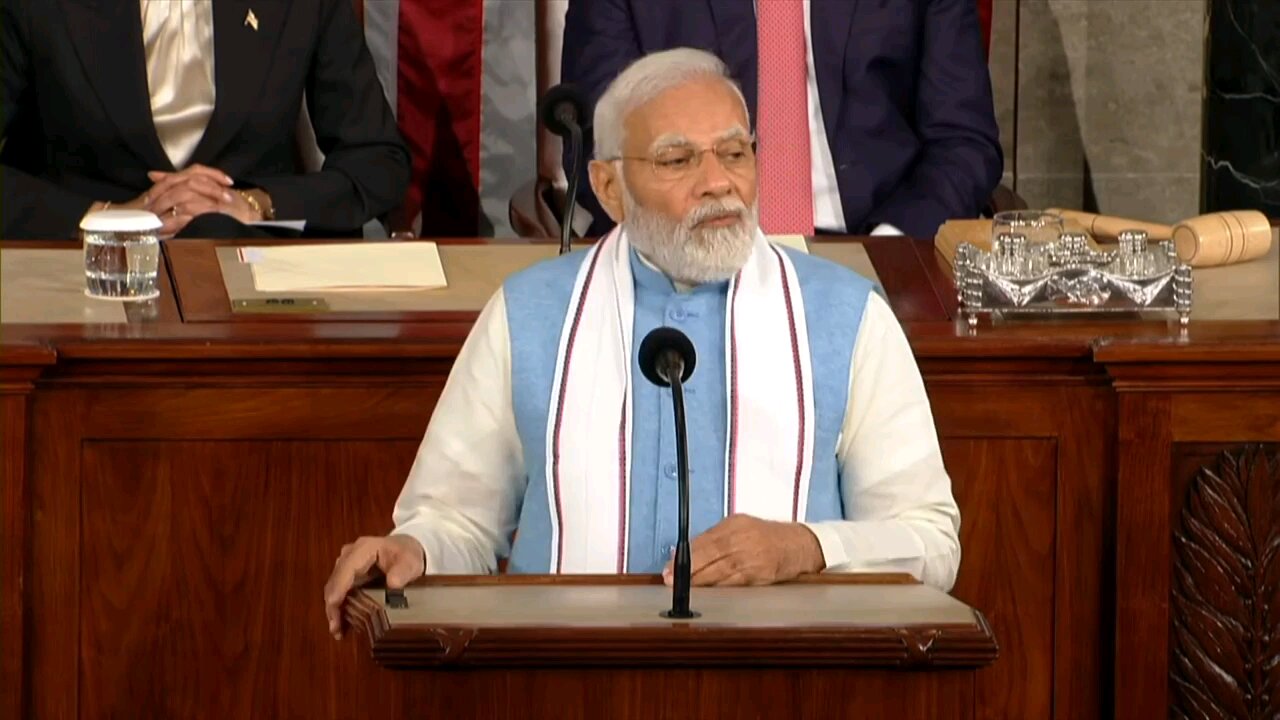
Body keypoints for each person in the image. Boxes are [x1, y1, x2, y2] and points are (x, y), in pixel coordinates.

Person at [324, 49, 960, 638]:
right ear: (607, 189)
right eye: (678, 160)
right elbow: (458, 519)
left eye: (736, 153)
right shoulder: (529, 314)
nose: (718, 183)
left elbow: (930, 543)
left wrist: (808, 548)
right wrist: (415, 549)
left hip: (783, 685)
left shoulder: (847, 318)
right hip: (563, 682)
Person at [560, 0, 1002, 240]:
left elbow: (963, 142)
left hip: (873, 244)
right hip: (690, 250)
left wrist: (889, 246)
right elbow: (599, 145)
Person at [0, 0, 410, 239]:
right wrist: (109, 217)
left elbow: (377, 161)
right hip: (82, 273)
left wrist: (255, 205)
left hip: (253, 275)